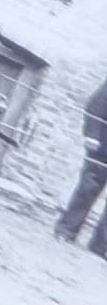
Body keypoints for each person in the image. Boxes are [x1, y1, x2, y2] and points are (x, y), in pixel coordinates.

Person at [56, 67, 107, 250]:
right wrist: (92, 135)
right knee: (88, 188)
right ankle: (67, 230)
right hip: (103, 149)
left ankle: (101, 246)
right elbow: (96, 105)